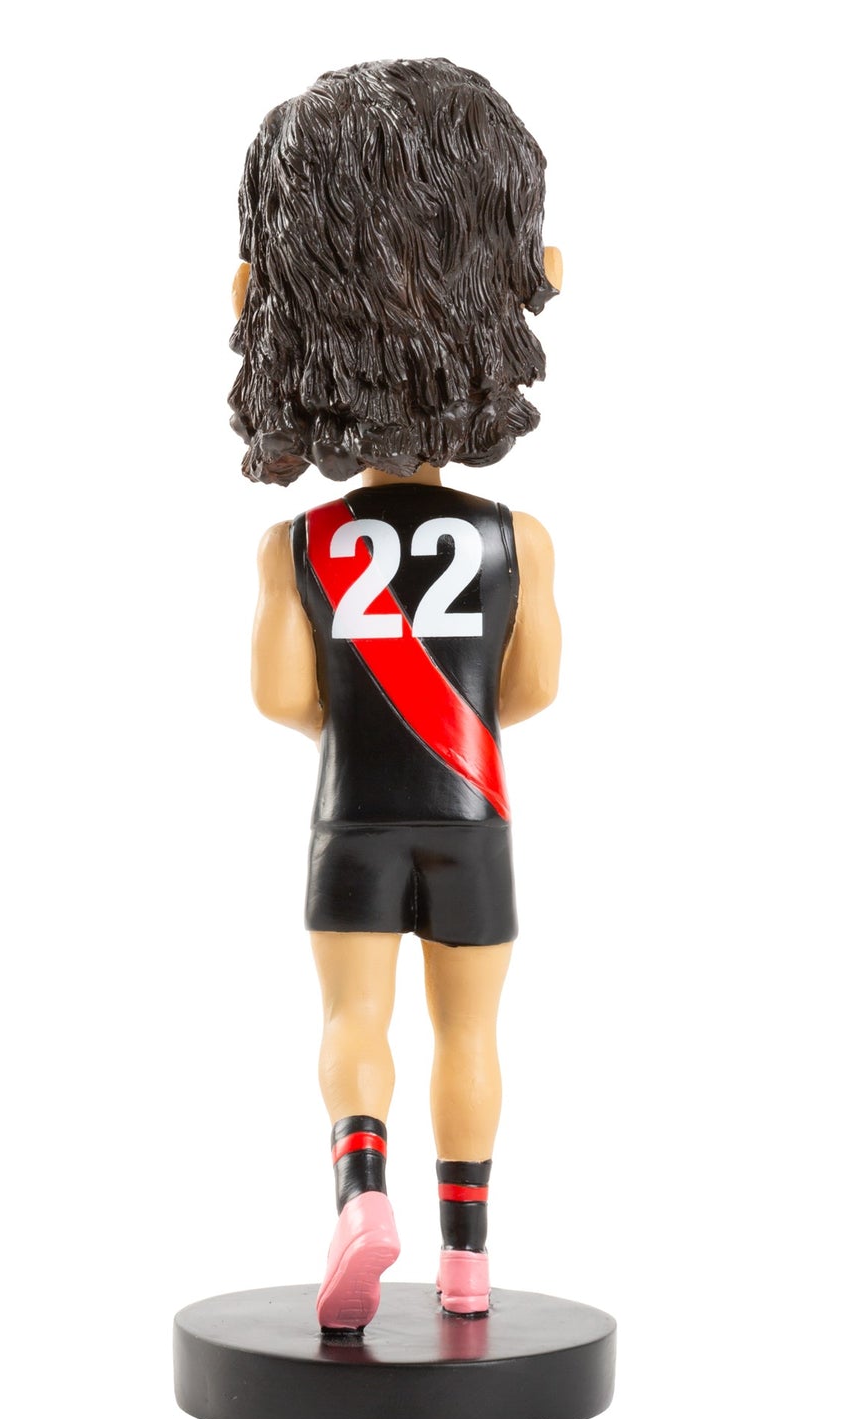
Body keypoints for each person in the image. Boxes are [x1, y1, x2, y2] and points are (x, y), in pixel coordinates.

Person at [231, 58, 563, 1330]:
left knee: (352, 1017)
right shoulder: (517, 539)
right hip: (473, 811)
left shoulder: (300, 547)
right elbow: (534, 687)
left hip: (353, 816)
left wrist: (361, 709)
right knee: (470, 1034)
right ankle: (469, 1262)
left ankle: (360, 1193)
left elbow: (280, 696)